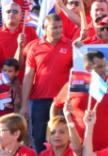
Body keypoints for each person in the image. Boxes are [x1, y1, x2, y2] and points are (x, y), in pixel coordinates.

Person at [51, 51, 108, 151]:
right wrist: (53, 129)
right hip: (79, 148)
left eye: (105, 66)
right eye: (100, 67)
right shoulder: (75, 83)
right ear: (88, 68)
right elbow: (55, 105)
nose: (105, 70)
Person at [20, 14, 73, 151]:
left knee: (62, 139)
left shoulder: (71, 46)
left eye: (60, 27)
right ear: (44, 28)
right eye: (54, 27)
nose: (58, 30)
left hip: (62, 101)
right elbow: (28, 77)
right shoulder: (34, 47)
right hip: (39, 101)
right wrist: (24, 104)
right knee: (39, 139)